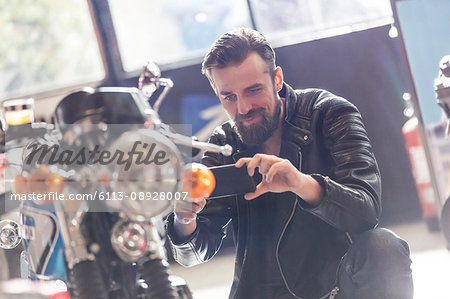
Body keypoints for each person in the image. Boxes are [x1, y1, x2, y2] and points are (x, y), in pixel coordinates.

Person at [165, 28, 413, 299]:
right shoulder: (224, 143)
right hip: (262, 292)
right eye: (229, 97)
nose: (244, 107)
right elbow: (194, 254)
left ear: (277, 79)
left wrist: (302, 183)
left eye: (253, 90)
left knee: (384, 246)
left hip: (337, 288)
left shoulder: (330, 114)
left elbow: (366, 211)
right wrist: (184, 217)